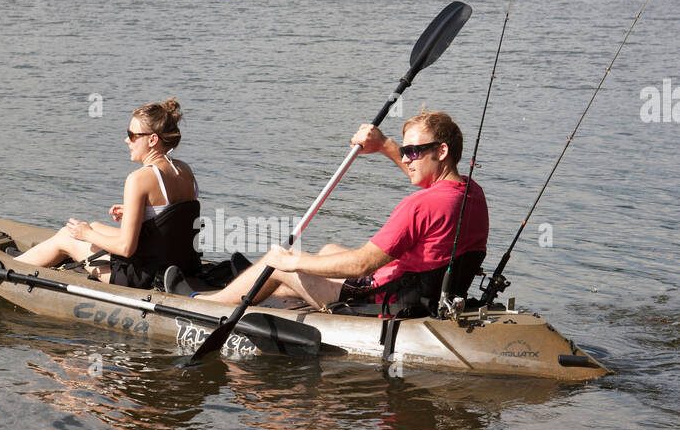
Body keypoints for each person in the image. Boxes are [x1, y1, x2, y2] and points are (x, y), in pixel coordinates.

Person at [194, 110, 488, 312]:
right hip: (423, 293)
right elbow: (427, 180)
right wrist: (386, 146)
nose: (406, 159)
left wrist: (294, 261)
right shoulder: (471, 192)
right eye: (404, 152)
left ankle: (208, 304)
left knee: (277, 261)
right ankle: (262, 293)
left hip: (383, 301)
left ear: (442, 151)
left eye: (412, 151)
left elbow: (363, 264)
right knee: (327, 250)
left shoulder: (420, 205)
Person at [15, 98, 200, 288]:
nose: (127, 140)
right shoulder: (184, 170)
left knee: (67, 236)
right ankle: (33, 258)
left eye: (132, 135)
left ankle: (11, 268)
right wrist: (136, 211)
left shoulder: (138, 179)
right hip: (178, 265)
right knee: (95, 225)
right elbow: (172, 219)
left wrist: (85, 234)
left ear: (152, 140)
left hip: (142, 277)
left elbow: (126, 248)